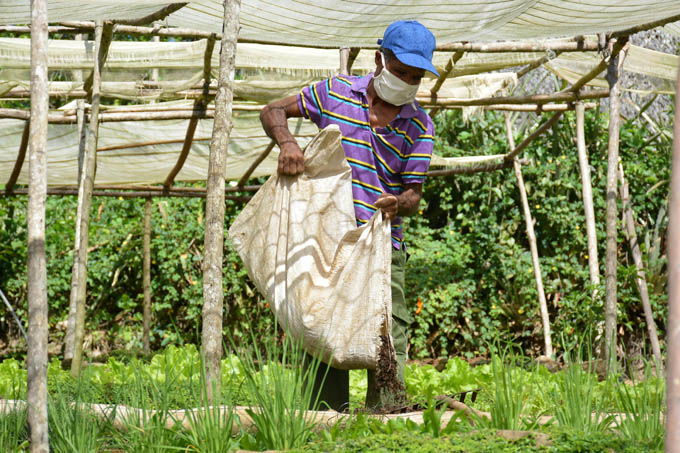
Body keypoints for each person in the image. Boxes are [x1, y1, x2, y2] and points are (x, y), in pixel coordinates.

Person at [259, 20, 438, 411]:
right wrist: (287, 143)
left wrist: (397, 202)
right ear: (379, 60)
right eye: (401, 72)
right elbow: (273, 110)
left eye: (415, 76)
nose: (407, 82)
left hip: (382, 244)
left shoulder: (420, 124)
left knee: (389, 333)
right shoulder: (334, 93)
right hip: (325, 243)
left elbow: (413, 196)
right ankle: (324, 419)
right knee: (319, 327)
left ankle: (387, 417)